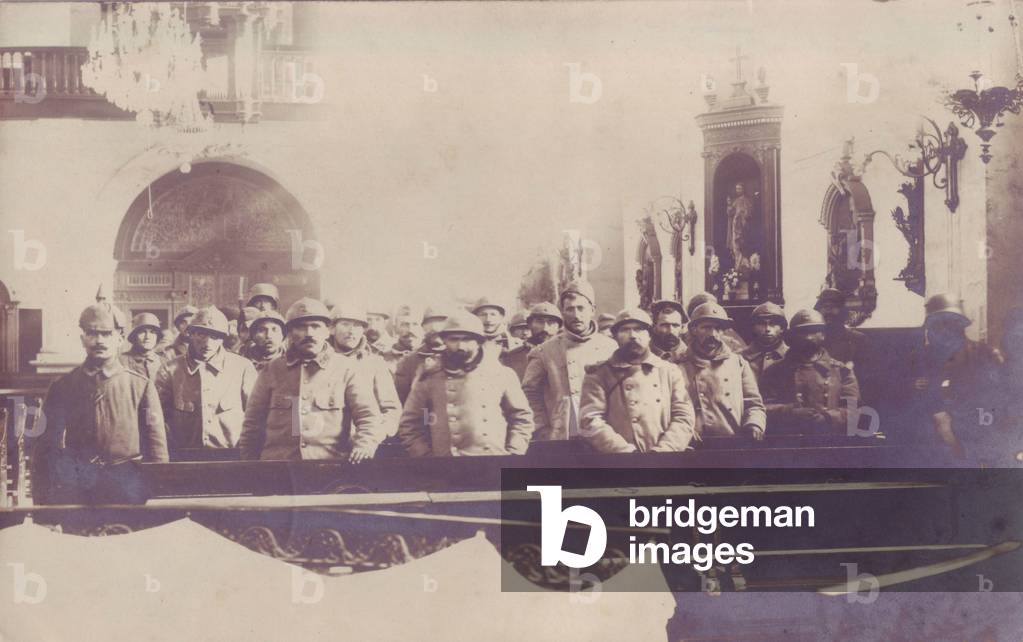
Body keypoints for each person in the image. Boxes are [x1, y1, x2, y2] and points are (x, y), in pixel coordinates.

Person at [33, 303, 168, 504]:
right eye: (92, 334)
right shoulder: (63, 386)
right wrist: (43, 499)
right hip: (78, 486)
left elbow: (157, 448)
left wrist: (159, 494)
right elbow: (46, 447)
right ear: (82, 339)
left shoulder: (140, 385)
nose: (99, 341)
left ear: (120, 339)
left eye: (107, 334)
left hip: (128, 487)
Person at [238, 298, 384, 462]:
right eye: (301, 327)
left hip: (330, 468)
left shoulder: (346, 369)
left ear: (327, 330)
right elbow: (252, 424)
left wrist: (364, 445)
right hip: (278, 469)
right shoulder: (272, 370)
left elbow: (369, 417)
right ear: (290, 333)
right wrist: (250, 464)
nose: (309, 333)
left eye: (315, 326)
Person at [398, 311, 533, 456]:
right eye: (454, 339)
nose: (460, 346)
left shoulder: (501, 374)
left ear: (479, 341)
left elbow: (521, 418)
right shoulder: (428, 377)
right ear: (445, 341)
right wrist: (426, 457)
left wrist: (514, 452)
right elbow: (411, 424)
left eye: (467, 339)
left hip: (493, 462)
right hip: (445, 467)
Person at [579, 308, 695, 453]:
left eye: (639, 329)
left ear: (649, 335)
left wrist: (664, 450)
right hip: (618, 461)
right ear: (615, 336)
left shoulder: (669, 371)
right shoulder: (598, 374)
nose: (633, 335)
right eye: (625, 330)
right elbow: (591, 420)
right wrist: (625, 452)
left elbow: (684, 416)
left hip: (664, 460)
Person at [910, 294, 1006, 463]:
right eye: (936, 325)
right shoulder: (919, 358)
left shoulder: (983, 354)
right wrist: (912, 385)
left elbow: (996, 399)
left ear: (960, 326)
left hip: (975, 432)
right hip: (931, 442)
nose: (942, 331)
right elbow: (901, 398)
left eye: (949, 323)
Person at [522, 279, 617, 441]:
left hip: (606, 434)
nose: (576, 315)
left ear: (592, 310)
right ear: (563, 312)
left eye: (581, 308)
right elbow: (529, 392)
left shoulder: (610, 347)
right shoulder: (544, 351)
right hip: (562, 434)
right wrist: (541, 427)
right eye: (570, 309)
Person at [155, 306, 257, 453]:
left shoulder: (242, 367)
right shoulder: (169, 370)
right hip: (184, 457)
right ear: (190, 334)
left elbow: (255, 417)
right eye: (201, 335)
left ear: (223, 338)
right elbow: (158, 418)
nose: (208, 343)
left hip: (231, 457)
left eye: (215, 336)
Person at [760, 309, 860, 434]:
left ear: (823, 334)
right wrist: (790, 412)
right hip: (790, 440)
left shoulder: (841, 371)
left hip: (830, 439)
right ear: (792, 337)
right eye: (801, 332)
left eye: (813, 331)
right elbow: (761, 407)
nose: (808, 337)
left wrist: (827, 418)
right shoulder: (775, 371)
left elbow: (853, 408)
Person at [678, 303, 765, 440]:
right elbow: (670, 409)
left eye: (718, 328)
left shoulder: (738, 364)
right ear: (694, 329)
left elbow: (753, 404)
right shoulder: (678, 366)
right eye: (706, 328)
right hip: (691, 443)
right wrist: (683, 431)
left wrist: (754, 424)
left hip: (732, 442)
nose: (713, 334)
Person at [329, 304, 401, 440]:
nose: (352, 331)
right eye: (345, 324)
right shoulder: (320, 364)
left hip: (367, 447)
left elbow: (391, 410)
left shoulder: (375, 364)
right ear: (331, 328)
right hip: (328, 448)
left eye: (357, 326)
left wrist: (375, 436)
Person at [394, 306, 450, 403]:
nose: (436, 326)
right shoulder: (409, 361)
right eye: (430, 322)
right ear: (423, 327)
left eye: (441, 322)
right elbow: (402, 400)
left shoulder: (459, 356)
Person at [504, 302, 563, 380]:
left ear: (558, 327)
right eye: (540, 321)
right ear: (530, 325)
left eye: (551, 322)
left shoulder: (566, 354)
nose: (545, 328)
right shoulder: (512, 357)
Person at [815, 288, 868, 372]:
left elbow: (864, 373)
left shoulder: (857, 339)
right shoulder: (815, 339)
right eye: (825, 306)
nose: (828, 310)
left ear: (842, 311)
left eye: (834, 306)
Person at [741, 302, 788, 380]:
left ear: (782, 328)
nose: (767, 329)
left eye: (773, 323)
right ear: (753, 328)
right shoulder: (740, 358)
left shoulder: (792, 357)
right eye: (761, 323)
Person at [471, 296, 520, 363]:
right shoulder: (468, 343)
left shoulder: (516, 344)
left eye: (493, 314)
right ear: (475, 317)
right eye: (483, 314)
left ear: (501, 317)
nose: (488, 319)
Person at [120, 312, 165, 379]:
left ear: (157, 337)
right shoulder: (121, 361)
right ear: (134, 336)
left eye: (152, 332)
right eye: (142, 332)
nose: (147, 337)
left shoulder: (163, 362)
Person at [649, 299, 688, 364]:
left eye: (675, 325)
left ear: (682, 328)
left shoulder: (689, 356)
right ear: (654, 326)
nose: (671, 331)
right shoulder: (644, 354)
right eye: (665, 325)